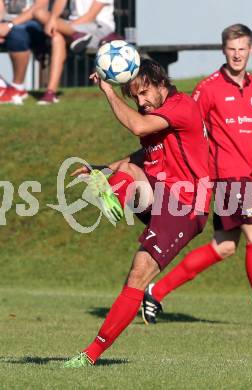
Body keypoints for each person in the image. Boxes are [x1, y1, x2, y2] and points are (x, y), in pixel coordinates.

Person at [142, 24, 252, 328]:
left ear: (251, 50)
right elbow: (185, 122)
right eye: (232, 49)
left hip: (243, 175)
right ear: (223, 50)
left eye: (243, 48)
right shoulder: (208, 88)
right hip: (225, 177)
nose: (237, 54)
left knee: (224, 246)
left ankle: (155, 291)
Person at [63, 58, 211, 367]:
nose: (141, 102)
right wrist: (100, 168)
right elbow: (142, 153)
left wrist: (107, 89)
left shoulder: (181, 106)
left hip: (185, 207)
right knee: (127, 170)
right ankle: (113, 192)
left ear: (160, 84)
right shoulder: (158, 117)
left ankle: (90, 355)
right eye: (135, 97)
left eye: (144, 94)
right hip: (161, 195)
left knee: (138, 272)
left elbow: (137, 126)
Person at [33, 0, 115, 104]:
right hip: (74, 26)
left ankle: (50, 93)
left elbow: (91, 15)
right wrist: (53, 20)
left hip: (98, 26)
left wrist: (63, 27)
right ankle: (50, 92)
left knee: (57, 35)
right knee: (40, 15)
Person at [0, 0, 49, 104]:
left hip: (34, 23)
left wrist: (9, 26)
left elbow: (38, 8)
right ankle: (2, 85)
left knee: (17, 34)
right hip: (6, 22)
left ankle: (18, 88)